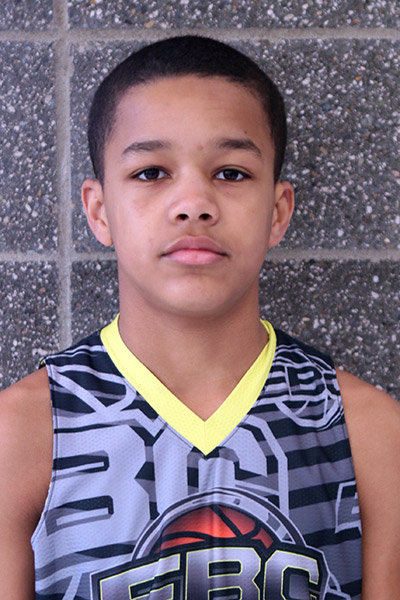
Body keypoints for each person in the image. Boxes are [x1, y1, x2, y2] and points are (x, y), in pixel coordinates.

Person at [0, 35, 399, 600]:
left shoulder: (370, 432)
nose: (193, 204)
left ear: (278, 211)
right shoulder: (23, 433)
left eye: (231, 173)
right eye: (151, 173)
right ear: (99, 211)